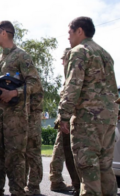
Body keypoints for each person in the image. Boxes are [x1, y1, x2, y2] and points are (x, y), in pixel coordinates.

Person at [58, 16, 118, 196]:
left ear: (79, 31)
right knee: (105, 167)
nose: (68, 37)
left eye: (69, 32)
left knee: (88, 168)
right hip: (108, 120)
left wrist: (64, 116)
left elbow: (72, 86)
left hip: (87, 120)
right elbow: (113, 90)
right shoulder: (106, 54)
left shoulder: (79, 52)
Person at [0, 21, 42, 196]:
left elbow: (35, 83)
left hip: (15, 120)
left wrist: (14, 93)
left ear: (3, 33)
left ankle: (18, 192)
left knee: (15, 160)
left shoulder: (21, 56)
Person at [49, 48, 77, 193]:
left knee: (62, 151)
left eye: (64, 59)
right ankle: (57, 180)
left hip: (68, 118)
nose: (62, 63)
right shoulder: (70, 76)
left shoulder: (72, 74)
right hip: (68, 120)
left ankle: (58, 180)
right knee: (62, 151)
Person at [25, 92, 43, 195]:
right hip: (22, 114)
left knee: (33, 151)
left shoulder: (31, 76)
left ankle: (33, 186)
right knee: (23, 152)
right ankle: (23, 185)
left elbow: (37, 95)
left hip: (32, 116)